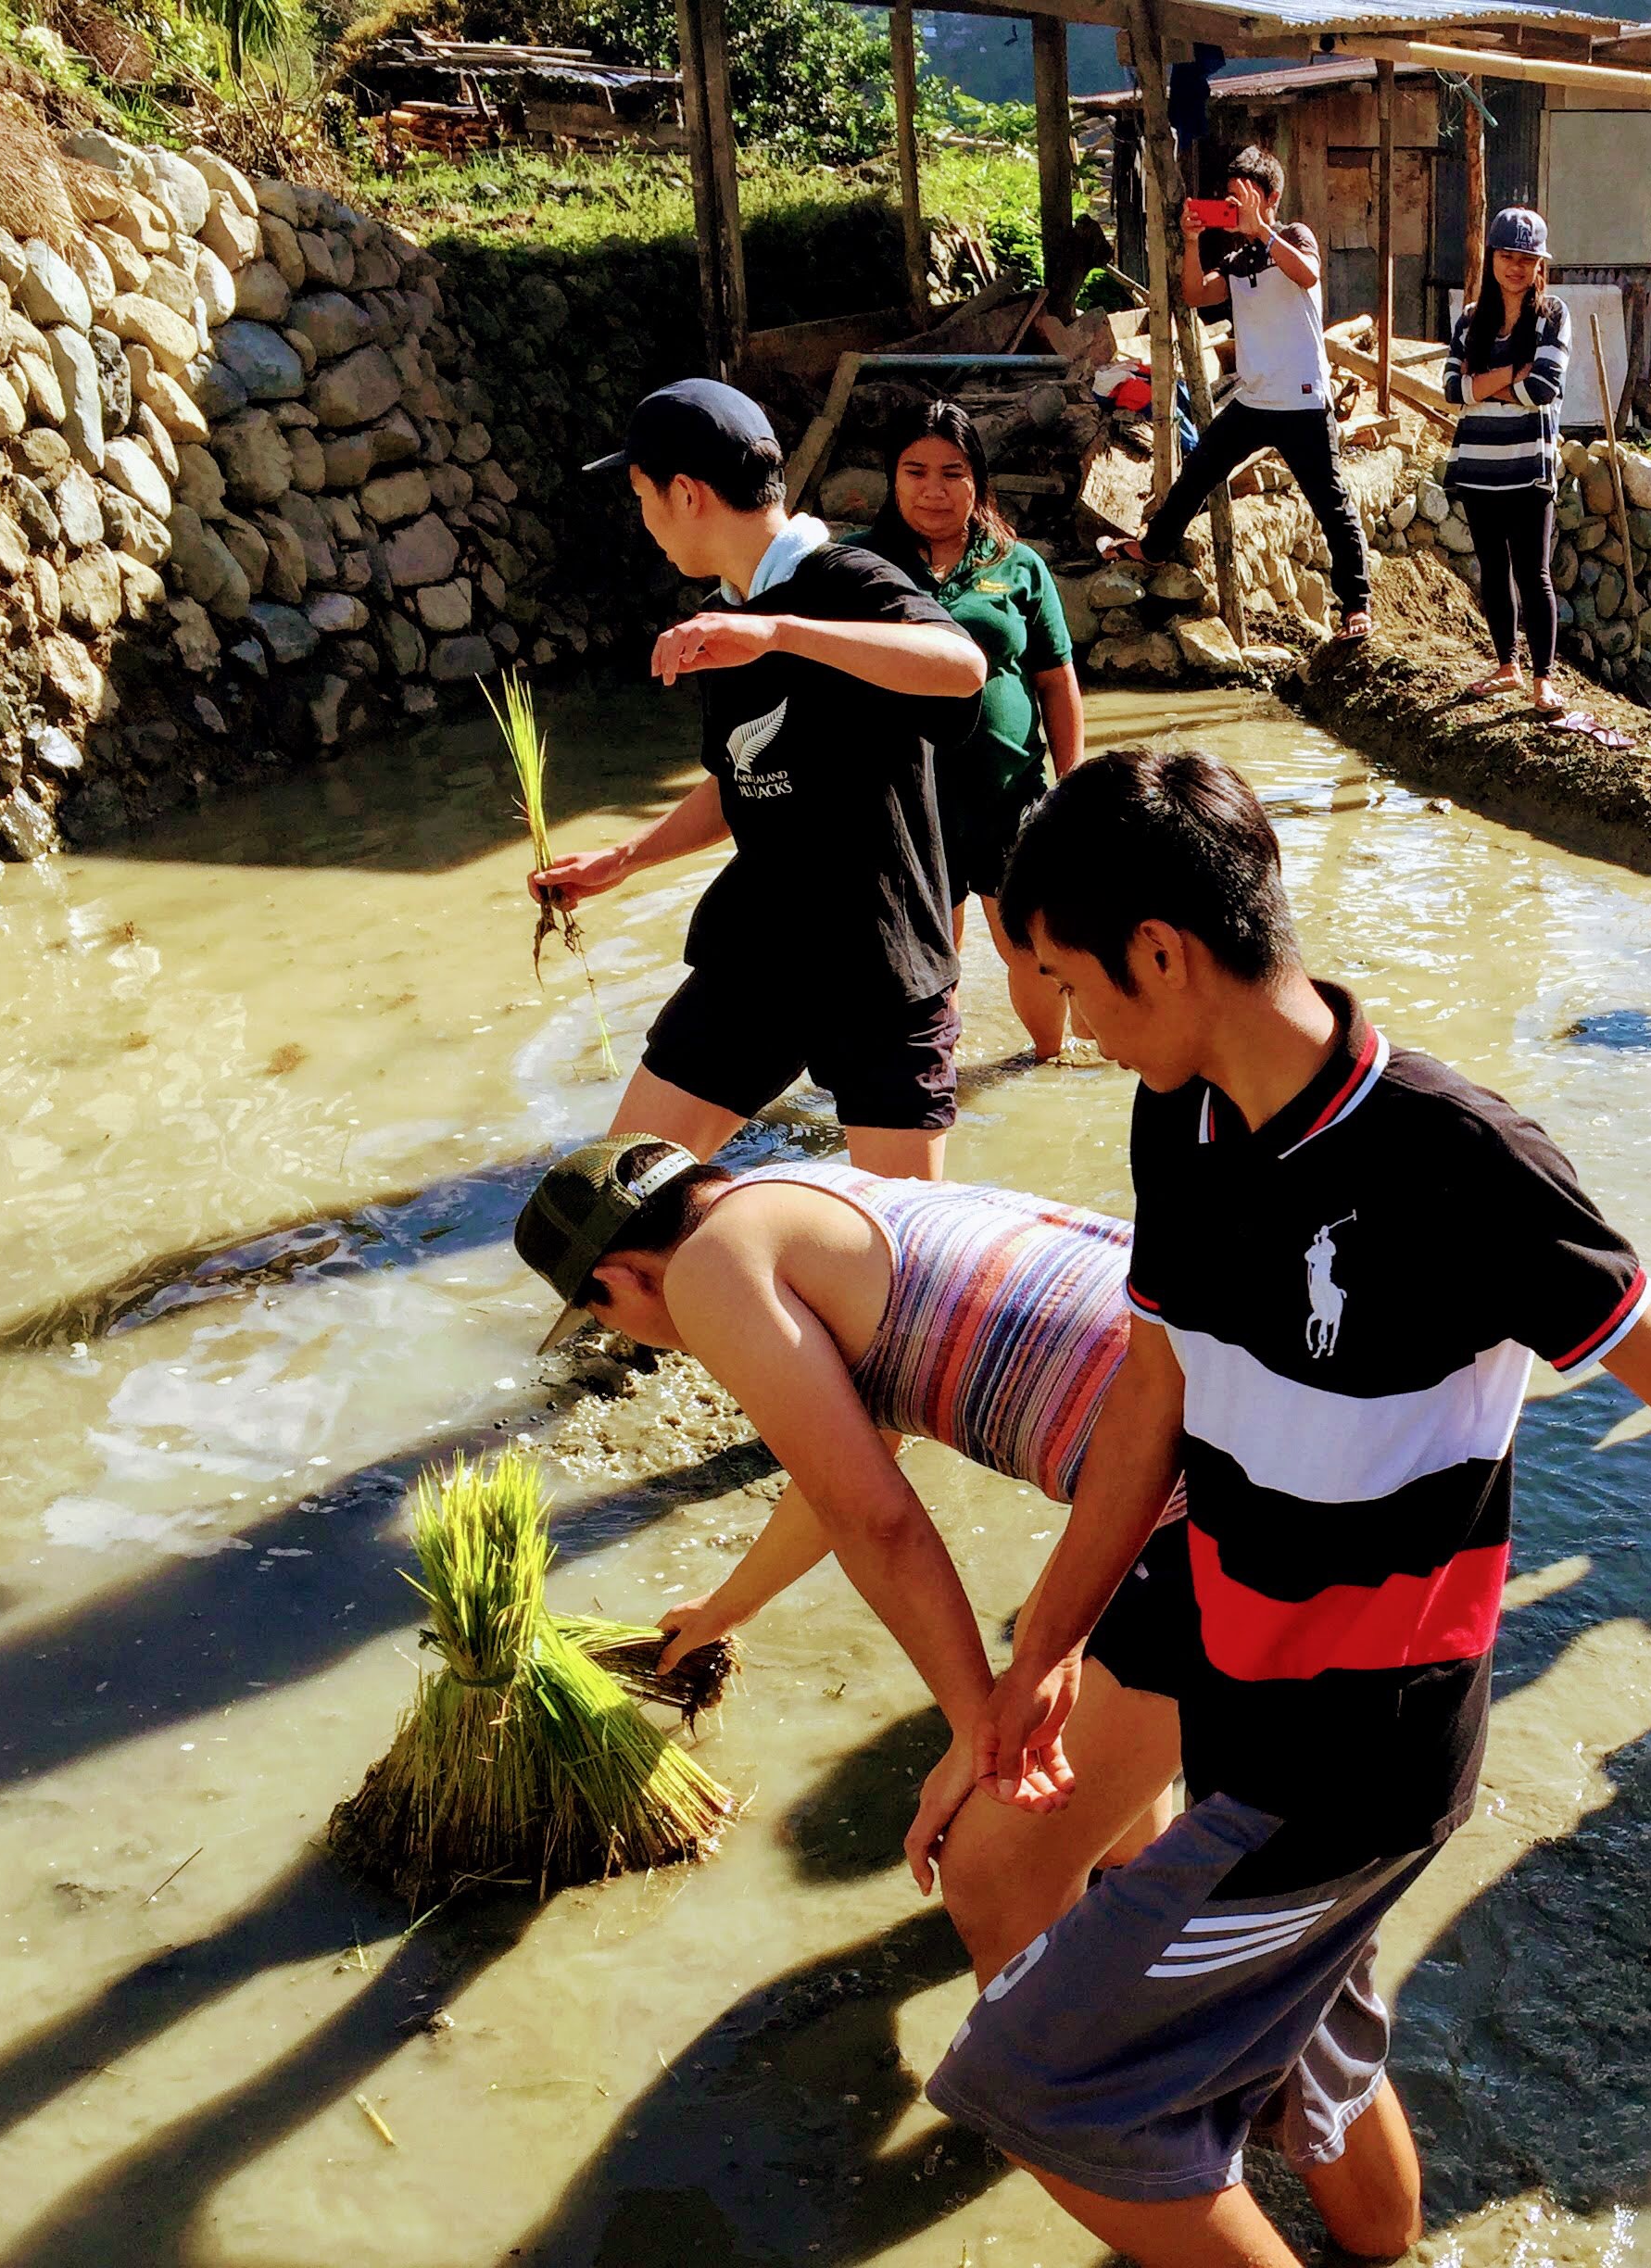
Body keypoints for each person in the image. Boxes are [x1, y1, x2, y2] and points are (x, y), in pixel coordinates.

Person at [914, 747, 1651, 2268]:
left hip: (1355, 1754)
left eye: (1064, 979)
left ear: (1161, 955)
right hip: (1220, 1638)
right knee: (1203, 1987)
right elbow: (1151, 1392)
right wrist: (1038, 1650)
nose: (1054, 1024)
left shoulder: (1460, 1162)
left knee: (1041, 2083)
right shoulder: (1177, 1115)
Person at [510, 1134, 1182, 1855]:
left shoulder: (709, 1270)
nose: (621, 1333)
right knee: (1105, 1821)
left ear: (621, 1278)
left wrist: (973, 1731)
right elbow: (844, 1475)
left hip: (1191, 1474)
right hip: (1247, 1393)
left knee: (989, 1874)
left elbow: (875, 1519)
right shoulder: (795, 1196)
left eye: (598, 1313)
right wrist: (731, 1606)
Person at [531, 380, 991, 1178]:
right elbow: (741, 771)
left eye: (643, 498)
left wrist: (776, 633)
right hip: (763, 954)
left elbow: (961, 667)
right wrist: (627, 859)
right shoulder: (724, 612)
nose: (643, 523)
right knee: (615, 1201)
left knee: (900, 1259)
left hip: (880, 965)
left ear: (686, 493)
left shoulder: (844, 577)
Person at [858, 397, 1085, 1061]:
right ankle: (938, 1078)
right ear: (891, 478)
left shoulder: (1017, 565)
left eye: (953, 472)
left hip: (1010, 795)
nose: (934, 489)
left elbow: (1055, 680)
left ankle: (1049, 1062)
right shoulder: (857, 566)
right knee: (931, 955)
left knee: (1033, 948)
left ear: (978, 481)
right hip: (904, 800)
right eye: (916, 470)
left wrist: (1072, 789)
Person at [1111, 148, 1372, 641]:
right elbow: (1195, 295)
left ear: (1270, 197)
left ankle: (1356, 605)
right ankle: (1156, 546)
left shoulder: (1293, 238)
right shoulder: (1238, 259)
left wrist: (1260, 228)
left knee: (1331, 503)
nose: (1232, 208)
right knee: (1200, 469)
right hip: (1254, 401)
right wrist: (1192, 241)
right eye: (1227, 200)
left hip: (1303, 400)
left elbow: (1308, 275)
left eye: (1241, 199)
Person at [1441, 205, 1573, 711]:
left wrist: (1482, 386)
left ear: (1540, 264)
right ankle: (1506, 666)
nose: (1516, 266)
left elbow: (1543, 386)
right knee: (1492, 570)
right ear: (1491, 257)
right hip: (1476, 464)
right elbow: (1452, 389)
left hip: (1529, 465)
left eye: (1527, 257)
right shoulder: (1472, 319)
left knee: (1534, 573)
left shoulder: (1552, 314)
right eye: (1507, 255)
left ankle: (1544, 679)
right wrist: (1506, 376)